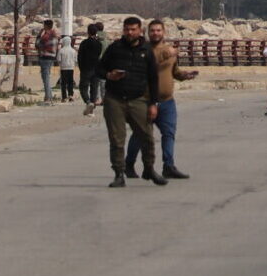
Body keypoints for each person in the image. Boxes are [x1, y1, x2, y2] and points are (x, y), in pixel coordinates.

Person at [126, 19, 197, 179]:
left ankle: (168, 166)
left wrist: (184, 75)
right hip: (145, 101)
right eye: (152, 31)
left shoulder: (169, 51)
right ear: (147, 33)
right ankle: (129, 165)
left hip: (167, 101)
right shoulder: (143, 50)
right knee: (139, 134)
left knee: (169, 133)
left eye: (158, 30)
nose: (155, 33)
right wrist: (167, 54)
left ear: (164, 32)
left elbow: (174, 72)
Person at [99, 16, 163, 187]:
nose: (129, 32)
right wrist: (109, 75)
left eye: (133, 29)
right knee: (117, 139)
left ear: (140, 30)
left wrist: (153, 103)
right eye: (127, 29)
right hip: (115, 99)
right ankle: (119, 174)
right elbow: (99, 68)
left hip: (139, 99)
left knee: (147, 137)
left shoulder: (147, 51)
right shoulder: (115, 49)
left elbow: (153, 78)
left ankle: (149, 169)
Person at [78, 23, 108, 115]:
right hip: (96, 68)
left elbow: (80, 57)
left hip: (86, 68)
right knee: (94, 88)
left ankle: (88, 102)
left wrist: (81, 67)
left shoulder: (84, 43)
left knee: (83, 87)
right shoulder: (99, 44)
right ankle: (92, 103)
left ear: (88, 32)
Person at [36, 20, 59, 103]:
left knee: (45, 78)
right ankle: (49, 96)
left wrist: (39, 35)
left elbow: (37, 44)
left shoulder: (46, 36)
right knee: (47, 77)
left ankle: (48, 97)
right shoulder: (55, 35)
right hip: (52, 58)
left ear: (46, 26)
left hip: (45, 57)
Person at [56, 33, 77, 105]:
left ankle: (64, 97)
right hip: (71, 68)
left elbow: (58, 59)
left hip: (63, 68)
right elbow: (75, 59)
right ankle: (71, 95)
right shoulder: (73, 51)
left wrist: (61, 64)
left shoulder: (61, 50)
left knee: (63, 83)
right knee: (70, 82)